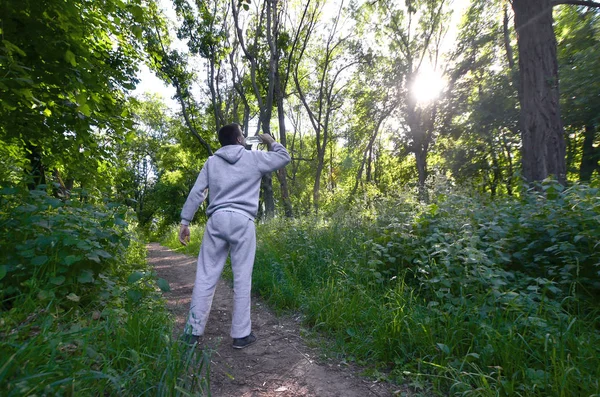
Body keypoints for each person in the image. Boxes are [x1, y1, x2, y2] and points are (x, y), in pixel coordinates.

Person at [178, 123, 290, 349]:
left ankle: (192, 332)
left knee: (206, 276)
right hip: (242, 221)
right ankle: (241, 335)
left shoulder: (211, 162)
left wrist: (185, 221)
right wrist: (270, 141)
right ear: (239, 140)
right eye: (242, 135)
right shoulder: (254, 158)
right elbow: (284, 157)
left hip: (217, 220)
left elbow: (197, 192)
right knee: (241, 278)